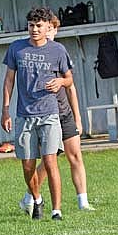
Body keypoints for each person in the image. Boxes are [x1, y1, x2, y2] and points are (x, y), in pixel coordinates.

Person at [1, 7, 73, 221]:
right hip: (24, 115)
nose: (34, 29)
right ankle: (37, 198)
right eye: (31, 25)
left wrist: (60, 81)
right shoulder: (16, 49)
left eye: (39, 26)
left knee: (50, 162)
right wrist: (5, 110)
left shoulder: (58, 50)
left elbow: (69, 79)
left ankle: (56, 210)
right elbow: (8, 81)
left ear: (47, 27)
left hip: (50, 113)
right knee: (28, 165)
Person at [19, 15, 95, 212]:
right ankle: (31, 196)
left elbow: (71, 87)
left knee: (75, 155)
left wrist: (77, 117)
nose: (47, 32)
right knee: (47, 160)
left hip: (64, 113)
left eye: (51, 29)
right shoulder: (31, 53)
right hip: (43, 114)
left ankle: (83, 201)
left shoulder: (58, 53)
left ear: (53, 30)